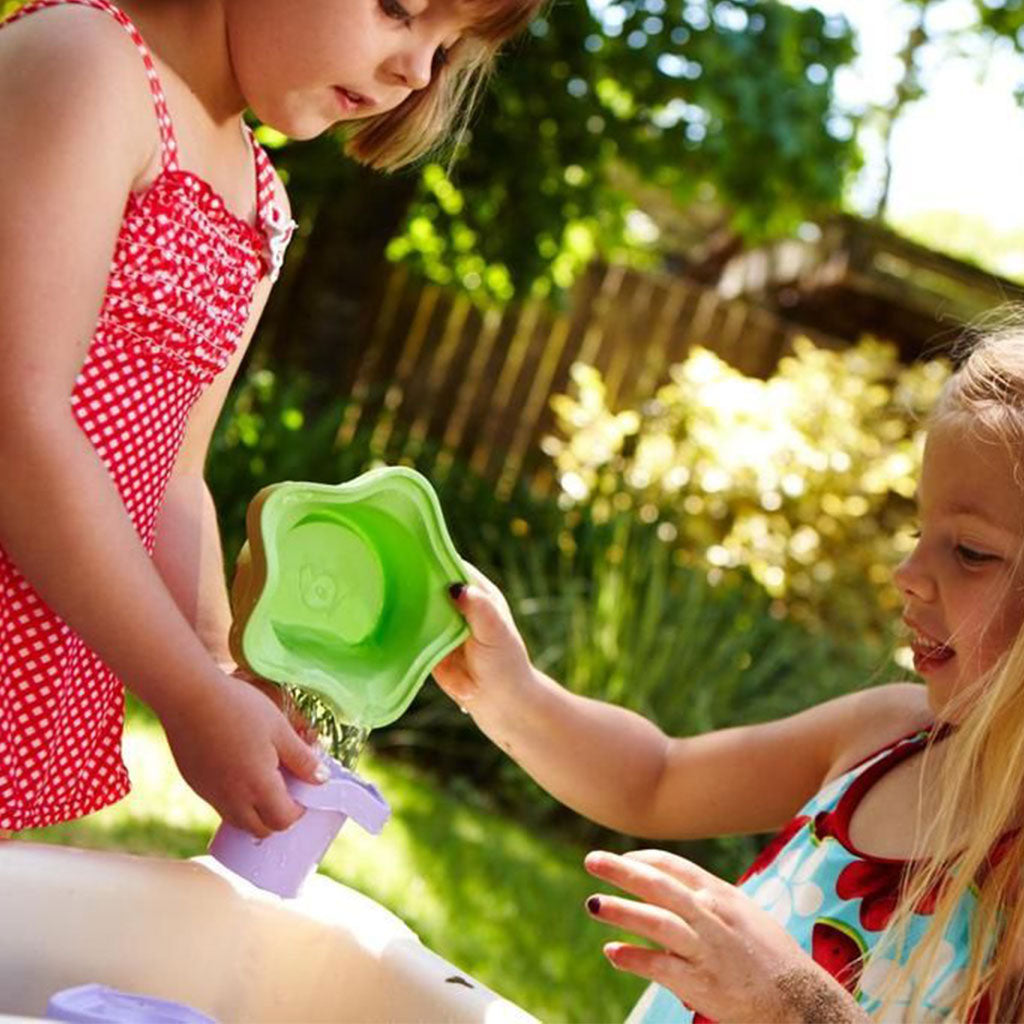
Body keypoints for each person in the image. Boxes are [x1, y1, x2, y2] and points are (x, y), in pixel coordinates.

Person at [0, 0, 540, 838]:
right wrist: (187, 693)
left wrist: (224, 672)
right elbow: (16, 419)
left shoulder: (261, 206)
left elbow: (175, 482)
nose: (417, 70)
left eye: (447, 47)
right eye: (399, 9)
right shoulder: (90, 63)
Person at [435, 322, 1024, 1022]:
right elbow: (657, 778)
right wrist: (512, 694)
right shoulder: (885, 736)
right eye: (917, 534)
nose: (908, 573)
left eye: (971, 552)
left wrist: (791, 1003)